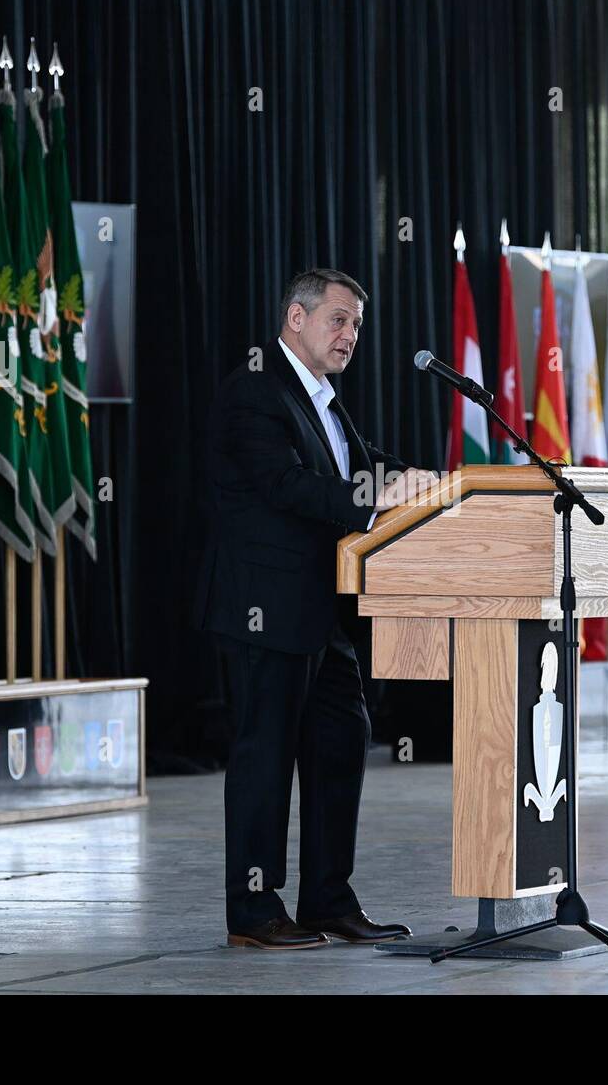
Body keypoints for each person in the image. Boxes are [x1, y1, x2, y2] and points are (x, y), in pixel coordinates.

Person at [194, 268, 438, 949]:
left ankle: (329, 897)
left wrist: (414, 480)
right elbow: (288, 487)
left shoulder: (326, 401)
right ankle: (253, 909)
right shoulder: (255, 393)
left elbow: (358, 468)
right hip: (264, 611)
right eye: (337, 319)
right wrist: (378, 496)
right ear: (295, 319)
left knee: (340, 744)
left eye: (356, 323)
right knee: (263, 759)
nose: (350, 334)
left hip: (324, 614)